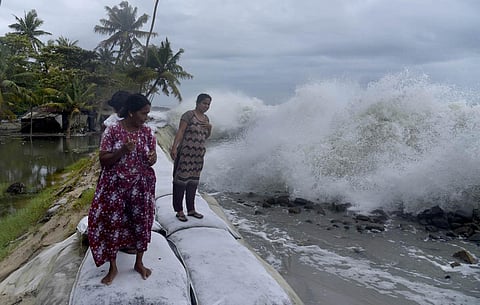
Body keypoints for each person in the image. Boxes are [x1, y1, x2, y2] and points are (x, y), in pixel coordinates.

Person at [88, 93, 157, 285]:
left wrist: (153, 158)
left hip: (141, 186)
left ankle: (139, 263)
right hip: (115, 186)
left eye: (148, 113)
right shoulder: (113, 131)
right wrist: (122, 151)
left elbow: (153, 156)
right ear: (132, 112)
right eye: (144, 113)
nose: (146, 117)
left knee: (142, 222)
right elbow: (103, 159)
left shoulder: (147, 133)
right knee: (112, 223)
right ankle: (113, 268)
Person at [170, 93, 212, 222]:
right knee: (180, 182)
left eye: (208, 104)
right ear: (197, 102)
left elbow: (206, 137)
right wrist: (174, 147)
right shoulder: (188, 115)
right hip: (186, 154)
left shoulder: (206, 119)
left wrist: (210, 128)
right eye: (204, 103)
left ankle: (191, 209)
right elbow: (181, 131)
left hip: (198, 156)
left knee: (193, 183)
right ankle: (179, 210)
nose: (206, 106)